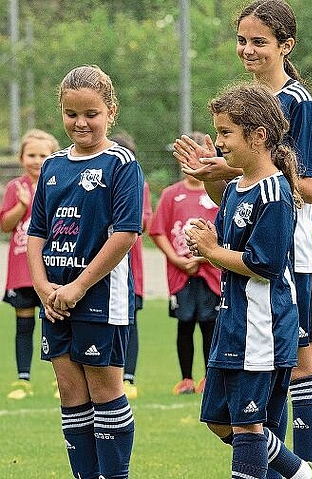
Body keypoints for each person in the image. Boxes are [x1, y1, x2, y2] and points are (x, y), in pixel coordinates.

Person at [172, 0, 312, 466]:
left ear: (286, 45)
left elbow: (311, 187)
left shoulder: (296, 102)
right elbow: (238, 199)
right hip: (251, 260)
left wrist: (237, 168)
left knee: (300, 365)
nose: (248, 49)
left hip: (290, 256)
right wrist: (214, 175)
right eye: (243, 40)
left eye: (259, 41)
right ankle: (281, 469)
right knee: (260, 373)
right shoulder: (244, 104)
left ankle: (308, 466)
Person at [27, 65, 143, 479]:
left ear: (111, 111)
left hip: (98, 297)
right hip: (55, 300)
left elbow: (126, 233)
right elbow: (36, 232)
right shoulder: (53, 165)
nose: (80, 122)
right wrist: (43, 289)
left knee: (105, 392)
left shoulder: (121, 164)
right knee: (71, 396)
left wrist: (77, 286)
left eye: (91, 113)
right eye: (71, 113)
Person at [150, 133, 220, 396]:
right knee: (185, 325)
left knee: (210, 325)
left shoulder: (217, 192)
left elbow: (224, 230)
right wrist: (176, 259)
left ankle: (209, 378)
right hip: (181, 274)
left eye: (202, 157)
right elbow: (157, 231)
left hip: (211, 272)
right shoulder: (171, 195)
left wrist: (208, 255)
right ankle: (186, 378)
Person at [1, 129, 59, 400]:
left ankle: (63, 378)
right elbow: (6, 225)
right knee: (24, 325)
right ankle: (23, 378)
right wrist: (21, 206)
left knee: (57, 323)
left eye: (43, 155)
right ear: (22, 157)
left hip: (52, 267)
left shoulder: (59, 183)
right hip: (22, 271)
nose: (37, 160)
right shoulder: (16, 187)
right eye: (32, 155)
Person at [110, 131, 152, 400]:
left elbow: (145, 224)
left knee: (131, 320)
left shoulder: (140, 185)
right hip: (100, 267)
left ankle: (129, 377)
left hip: (130, 268)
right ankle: (108, 372)